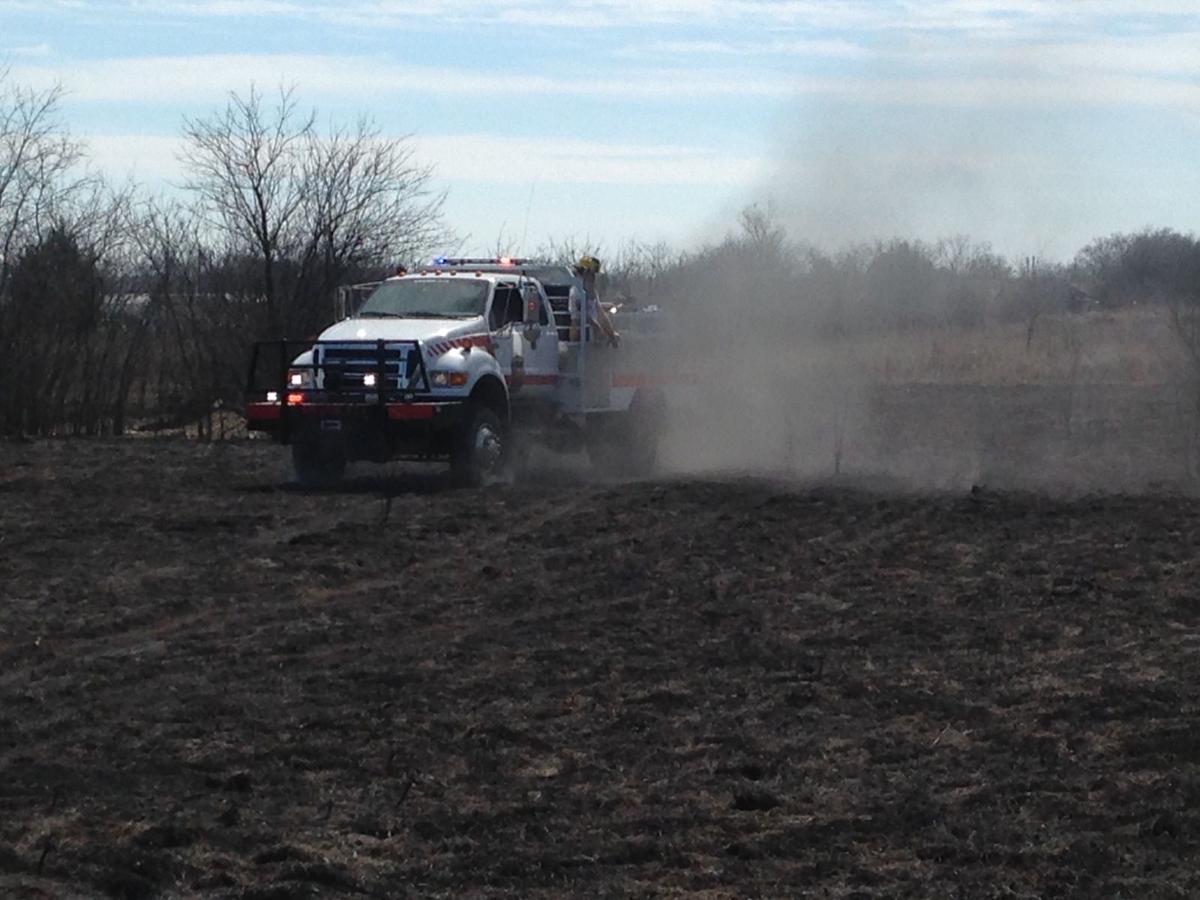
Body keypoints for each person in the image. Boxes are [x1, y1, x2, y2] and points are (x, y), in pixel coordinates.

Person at [570, 255, 619, 347]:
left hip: (594, 337)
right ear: (584, 273)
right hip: (582, 337)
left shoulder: (592, 292)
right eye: (592, 274)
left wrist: (611, 335)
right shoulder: (576, 293)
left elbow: (601, 314)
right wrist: (597, 328)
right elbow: (579, 318)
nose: (594, 278)